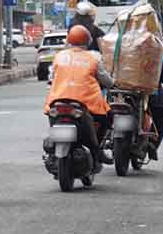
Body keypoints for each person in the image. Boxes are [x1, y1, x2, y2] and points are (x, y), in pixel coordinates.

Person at [44, 25, 113, 168]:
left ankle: (52, 152)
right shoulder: (93, 58)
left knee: (53, 120)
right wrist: (113, 83)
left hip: (57, 102)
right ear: (88, 41)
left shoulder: (59, 57)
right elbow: (106, 81)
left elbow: (51, 77)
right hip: (85, 103)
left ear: (69, 40)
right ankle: (97, 151)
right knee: (106, 118)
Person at [147, 53, 163, 157]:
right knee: (161, 117)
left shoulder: (116, 44)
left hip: (120, 90)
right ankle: (153, 144)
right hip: (150, 90)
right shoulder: (155, 46)